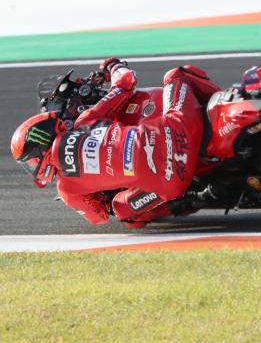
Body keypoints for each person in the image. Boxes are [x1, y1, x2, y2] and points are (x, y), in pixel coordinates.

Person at [11, 58, 220, 227]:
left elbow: (99, 216)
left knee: (122, 211)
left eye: (31, 162)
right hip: (178, 129)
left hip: (173, 183)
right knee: (176, 75)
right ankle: (221, 102)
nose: (34, 168)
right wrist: (113, 65)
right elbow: (126, 82)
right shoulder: (85, 121)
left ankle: (198, 198)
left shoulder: (66, 190)